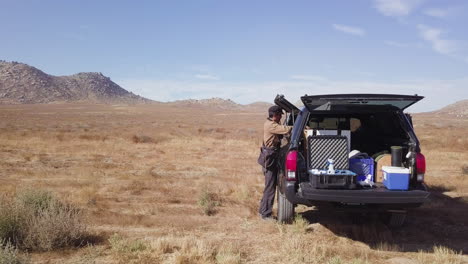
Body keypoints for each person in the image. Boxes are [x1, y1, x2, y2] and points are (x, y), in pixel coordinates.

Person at [258, 105, 292, 220]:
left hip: (270, 157)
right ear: (275, 115)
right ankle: (265, 214)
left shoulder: (270, 124)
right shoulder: (271, 125)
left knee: (269, 186)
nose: (280, 118)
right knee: (270, 187)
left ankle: (262, 210)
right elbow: (286, 129)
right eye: (279, 116)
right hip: (270, 158)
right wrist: (297, 127)